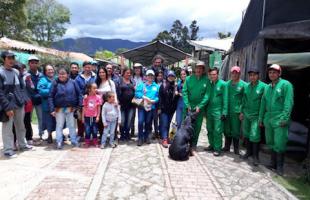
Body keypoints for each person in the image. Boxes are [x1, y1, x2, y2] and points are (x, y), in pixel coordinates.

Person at [259, 64, 294, 175]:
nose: (272, 74)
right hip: (269, 118)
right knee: (271, 141)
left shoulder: (286, 85)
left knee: (280, 142)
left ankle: (279, 167)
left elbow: (288, 102)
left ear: (279, 73)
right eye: (270, 72)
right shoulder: (267, 87)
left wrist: (285, 117)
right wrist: (261, 118)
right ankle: (272, 163)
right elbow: (263, 103)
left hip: (280, 118)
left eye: (274, 72)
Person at [0, 51, 32, 158]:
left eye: (13, 58)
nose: (11, 60)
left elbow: (22, 88)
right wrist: (7, 107)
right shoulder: (0, 72)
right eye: (9, 58)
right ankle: (8, 150)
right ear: (4, 59)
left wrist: (23, 100)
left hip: (19, 103)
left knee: (21, 125)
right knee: (8, 128)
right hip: (8, 104)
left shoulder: (16, 72)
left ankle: (22, 145)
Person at [48, 67, 82, 149]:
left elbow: (79, 94)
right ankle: (59, 141)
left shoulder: (73, 82)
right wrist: (52, 109)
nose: (62, 75)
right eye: (60, 74)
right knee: (59, 125)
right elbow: (50, 96)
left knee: (72, 125)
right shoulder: (55, 83)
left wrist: (79, 106)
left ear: (67, 75)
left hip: (71, 108)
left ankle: (73, 140)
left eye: (63, 74)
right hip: (59, 109)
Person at [239, 68, 266, 165]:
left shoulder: (263, 87)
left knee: (255, 135)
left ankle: (256, 157)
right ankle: (248, 153)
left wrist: (262, 117)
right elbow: (243, 100)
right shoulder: (247, 86)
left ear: (258, 76)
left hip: (256, 116)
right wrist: (241, 112)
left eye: (254, 75)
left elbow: (265, 102)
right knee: (246, 134)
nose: (252, 77)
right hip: (246, 114)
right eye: (250, 75)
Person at [182, 61, 209, 152]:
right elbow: (184, 92)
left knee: (197, 127)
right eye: (197, 68)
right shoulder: (189, 79)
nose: (198, 70)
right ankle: (184, 142)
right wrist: (187, 104)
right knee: (186, 125)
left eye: (201, 68)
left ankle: (193, 144)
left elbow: (207, 95)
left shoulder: (206, 80)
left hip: (199, 108)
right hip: (188, 107)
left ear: (203, 70)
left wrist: (200, 106)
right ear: (194, 69)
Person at [204, 68, 228, 156]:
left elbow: (225, 98)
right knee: (209, 128)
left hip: (218, 111)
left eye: (214, 74)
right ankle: (211, 145)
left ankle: (217, 148)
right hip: (209, 110)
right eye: (211, 74)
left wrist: (224, 112)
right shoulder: (209, 84)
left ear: (218, 74)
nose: (212, 76)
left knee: (217, 130)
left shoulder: (223, 84)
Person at [223, 66, 246, 154]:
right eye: (233, 73)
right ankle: (227, 147)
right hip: (227, 110)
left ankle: (236, 148)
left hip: (237, 111)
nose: (234, 74)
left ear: (239, 74)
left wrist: (242, 111)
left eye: (236, 73)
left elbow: (245, 99)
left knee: (236, 130)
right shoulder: (227, 84)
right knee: (227, 129)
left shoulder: (244, 85)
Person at [135, 69, 159, 146]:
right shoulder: (142, 85)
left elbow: (158, 96)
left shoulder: (156, 86)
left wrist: (154, 101)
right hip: (142, 106)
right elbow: (137, 93)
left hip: (151, 107)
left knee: (148, 123)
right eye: (149, 75)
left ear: (154, 77)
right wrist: (144, 97)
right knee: (141, 122)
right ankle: (140, 138)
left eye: (152, 75)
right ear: (146, 76)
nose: (150, 77)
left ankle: (146, 137)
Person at [75, 61, 96, 141]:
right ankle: (80, 134)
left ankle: (91, 135)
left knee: (92, 118)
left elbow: (95, 87)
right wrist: (83, 97)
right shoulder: (78, 77)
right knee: (81, 119)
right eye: (86, 67)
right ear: (83, 68)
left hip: (93, 102)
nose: (88, 69)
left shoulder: (95, 77)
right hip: (81, 101)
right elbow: (78, 90)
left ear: (91, 67)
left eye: (89, 67)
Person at [24, 55, 43, 142]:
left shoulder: (41, 75)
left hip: (39, 100)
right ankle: (29, 136)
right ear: (29, 64)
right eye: (32, 63)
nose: (34, 65)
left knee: (40, 118)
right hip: (29, 101)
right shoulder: (26, 75)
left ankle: (41, 135)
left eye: (36, 63)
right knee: (28, 119)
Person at [37, 65, 56, 144]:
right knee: (49, 121)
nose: (50, 71)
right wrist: (52, 91)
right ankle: (49, 135)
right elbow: (41, 91)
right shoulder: (42, 80)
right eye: (48, 70)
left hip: (57, 104)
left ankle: (59, 134)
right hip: (47, 104)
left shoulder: (56, 78)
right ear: (45, 71)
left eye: (51, 69)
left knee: (58, 120)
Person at [159, 70, 179, 148]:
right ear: (167, 77)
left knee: (169, 124)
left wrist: (177, 94)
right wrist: (160, 108)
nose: (171, 78)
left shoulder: (176, 86)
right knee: (164, 124)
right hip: (164, 109)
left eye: (172, 76)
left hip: (172, 109)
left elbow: (177, 97)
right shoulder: (163, 85)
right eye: (170, 76)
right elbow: (160, 97)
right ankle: (164, 139)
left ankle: (168, 137)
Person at [117, 67, 135, 141]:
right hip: (122, 105)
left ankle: (127, 134)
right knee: (122, 121)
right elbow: (117, 92)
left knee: (129, 121)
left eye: (130, 73)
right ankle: (122, 135)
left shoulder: (132, 81)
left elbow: (135, 92)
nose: (129, 74)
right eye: (127, 73)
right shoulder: (119, 81)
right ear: (123, 73)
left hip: (131, 105)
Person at [82, 83, 102, 147]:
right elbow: (84, 107)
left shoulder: (98, 97)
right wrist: (82, 117)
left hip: (94, 116)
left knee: (95, 130)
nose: (96, 89)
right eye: (94, 88)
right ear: (89, 89)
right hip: (87, 116)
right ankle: (87, 142)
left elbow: (99, 108)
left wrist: (98, 116)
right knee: (87, 130)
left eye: (96, 88)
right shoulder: (86, 97)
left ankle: (95, 141)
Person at [131, 63, 144, 137]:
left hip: (141, 99)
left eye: (138, 68)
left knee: (140, 117)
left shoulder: (144, 78)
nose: (137, 69)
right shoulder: (131, 77)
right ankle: (132, 131)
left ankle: (141, 132)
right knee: (132, 116)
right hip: (133, 99)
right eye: (135, 68)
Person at [152, 70, 164, 139]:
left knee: (161, 119)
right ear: (156, 77)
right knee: (155, 119)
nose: (160, 77)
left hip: (162, 105)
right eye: (158, 76)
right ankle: (156, 132)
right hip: (155, 104)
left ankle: (161, 132)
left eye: (161, 76)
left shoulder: (164, 83)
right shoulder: (153, 84)